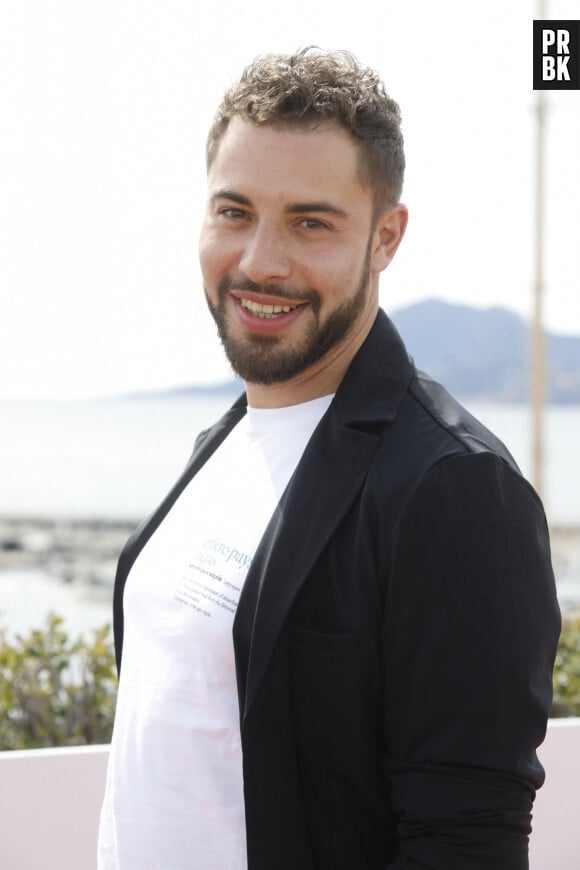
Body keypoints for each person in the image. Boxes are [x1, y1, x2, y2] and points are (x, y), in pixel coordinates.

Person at [98, 48, 561, 869]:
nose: (260, 261)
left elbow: (464, 841)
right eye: (234, 212)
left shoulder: (453, 487)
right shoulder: (225, 441)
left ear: (386, 237)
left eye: (310, 222)